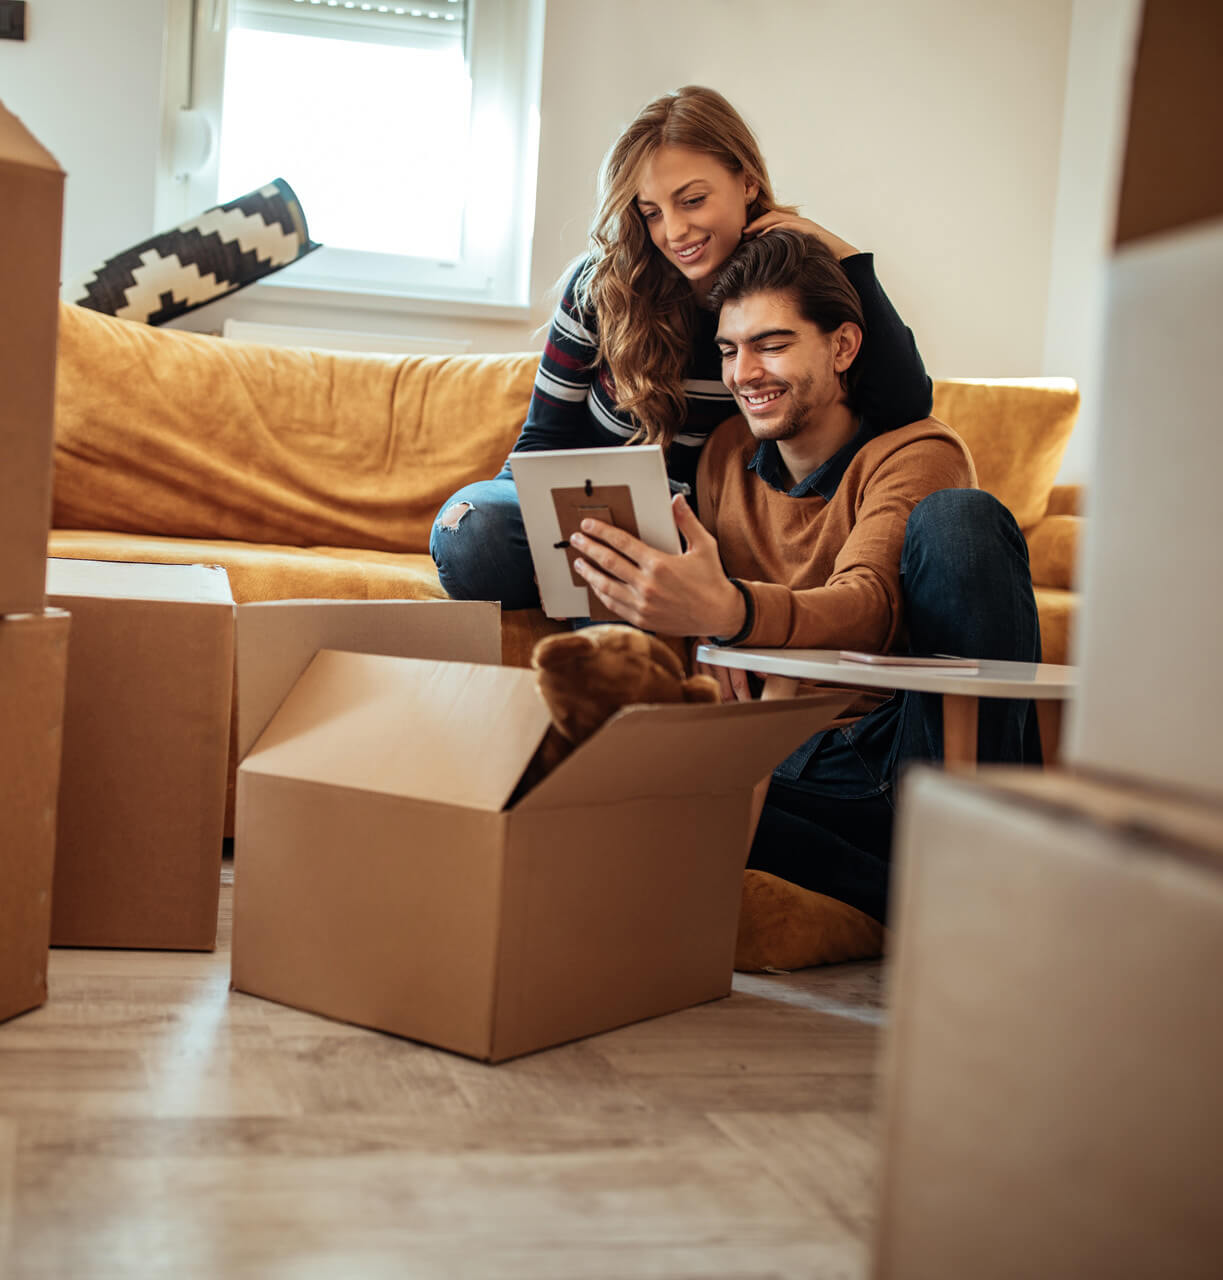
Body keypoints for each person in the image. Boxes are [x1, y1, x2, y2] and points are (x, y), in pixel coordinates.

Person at [564, 226, 1043, 924]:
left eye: (773, 344)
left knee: (961, 520)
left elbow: (867, 604)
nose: (744, 373)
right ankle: (915, 897)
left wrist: (731, 613)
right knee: (610, 788)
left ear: (843, 346)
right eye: (730, 350)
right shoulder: (724, 454)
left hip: (904, 751)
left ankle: (981, 863)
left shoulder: (915, 452)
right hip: (783, 764)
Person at [429, 84, 932, 609]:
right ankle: (591, 581)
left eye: (693, 200)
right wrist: (562, 529)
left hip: (707, 537)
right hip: (586, 512)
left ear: (748, 182)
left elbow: (905, 403)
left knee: (631, 582)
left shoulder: (786, 289)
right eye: (650, 212)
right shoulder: (603, 287)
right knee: (471, 532)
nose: (674, 231)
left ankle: (610, 593)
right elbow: (541, 443)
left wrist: (842, 252)